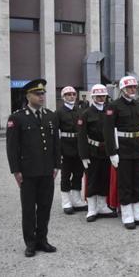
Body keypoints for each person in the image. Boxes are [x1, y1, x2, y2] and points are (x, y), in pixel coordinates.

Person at [6, 79, 60, 257]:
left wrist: (57, 165)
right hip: (28, 172)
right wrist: (16, 170)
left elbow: (55, 143)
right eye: (38, 93)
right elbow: (12, 147)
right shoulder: (17, 117)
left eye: (43, 93)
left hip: (47, 171)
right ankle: (30, 243)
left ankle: (42, 240)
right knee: (29, 209)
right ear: (28, 96)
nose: (41, 96)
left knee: (45, 207)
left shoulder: (51, 116)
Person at [104, 76, 139, 229]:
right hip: (123, 149)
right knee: (125, 182)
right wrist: (112, 153)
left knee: (138, 180)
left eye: (134, 87)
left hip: (138, 148)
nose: (133, 90)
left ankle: (137, 212)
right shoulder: (114, 106)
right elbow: (108, 131)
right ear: (123, 89)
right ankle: (127, 214)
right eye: (130, 87)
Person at [77, 84, 116, 222]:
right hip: (92, 151)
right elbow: (81, 137)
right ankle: (92, 208)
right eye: (98, 96)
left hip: (106, 151)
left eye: (103, 96)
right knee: (92, 180)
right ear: (92, 97)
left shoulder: (109, 111)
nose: (101, 98)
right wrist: (83, 155)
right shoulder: (86, 113)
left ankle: (103, 206)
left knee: (105, 178)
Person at [57, 86, 87, 214]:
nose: (71, 97)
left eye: (73, 94)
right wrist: (58, 152)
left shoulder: (80, 111)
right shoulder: (58, 113)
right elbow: (55, 134)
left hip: (78, 146)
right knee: (65, 175)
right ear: (63, 97)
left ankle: (76, 200)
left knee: (78, 174)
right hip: (65, 146)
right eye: (68, 95)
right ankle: (66, 202)